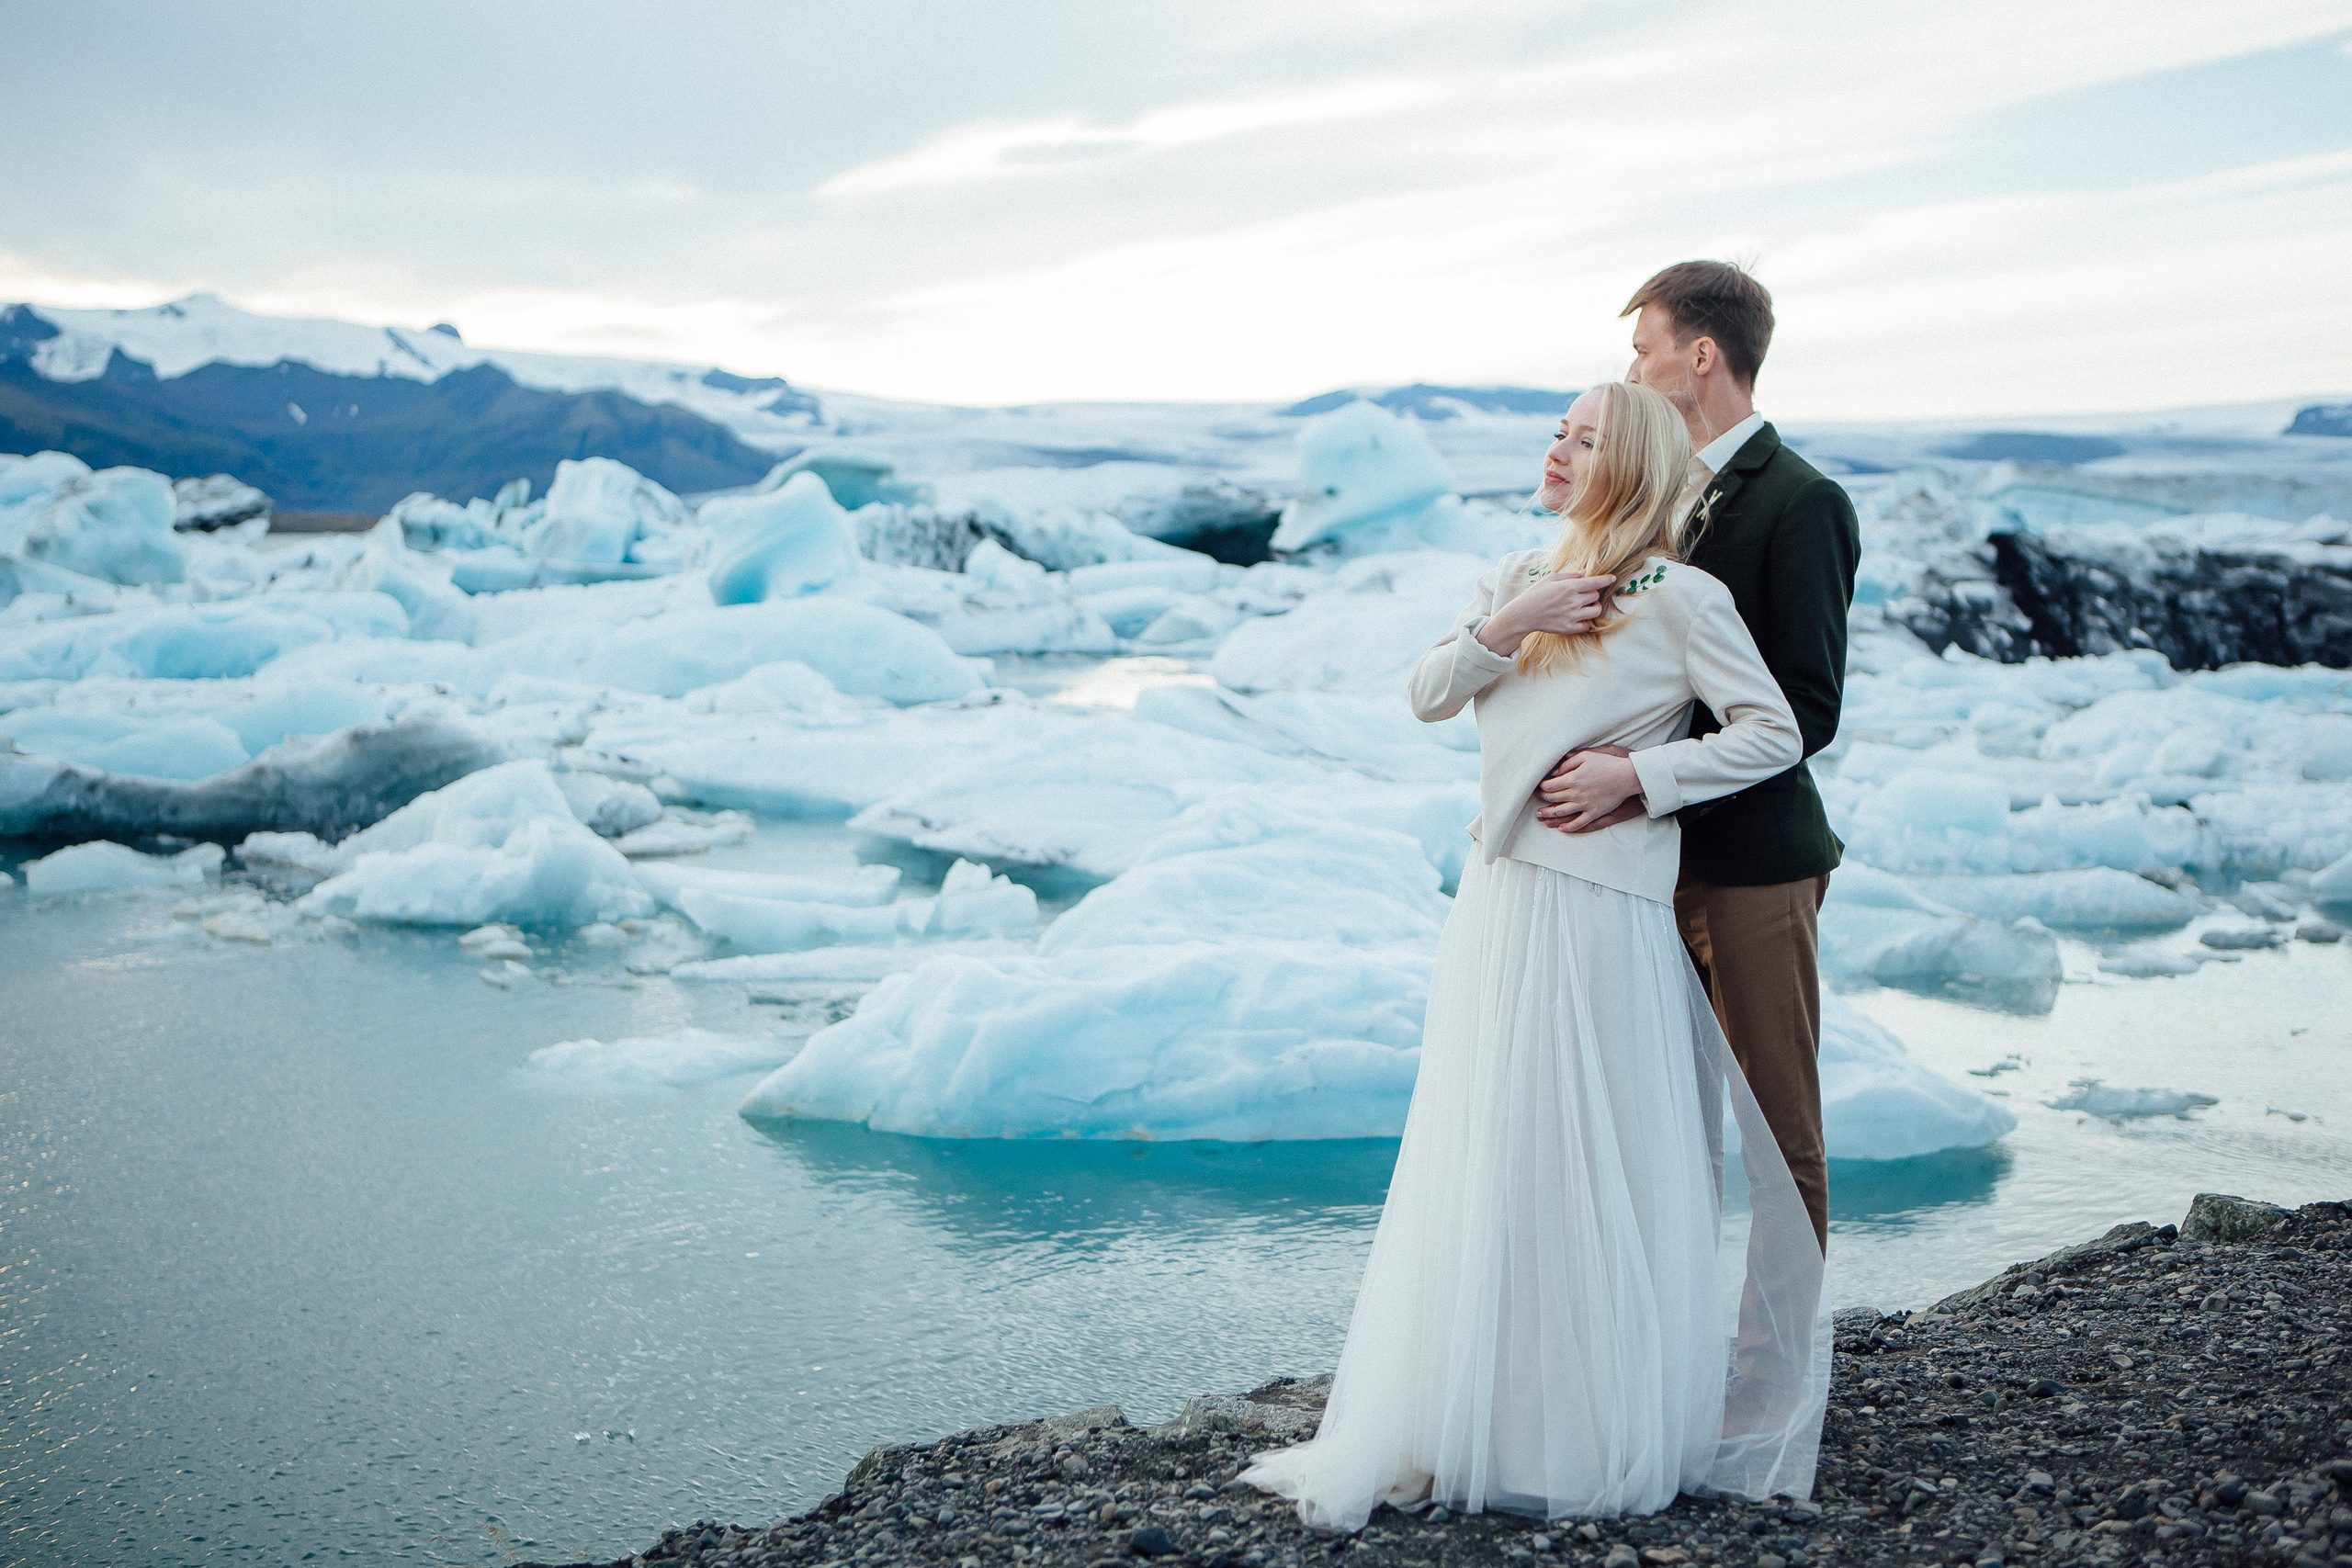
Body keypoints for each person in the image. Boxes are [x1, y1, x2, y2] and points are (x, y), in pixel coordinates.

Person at [1242, 380, 1830, 1531]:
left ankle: (1588, 1429)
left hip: (1607, 910)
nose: (1559, 449)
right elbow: (1425, 694)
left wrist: (1639, 780)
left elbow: (1773, 730)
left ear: (1637, 463)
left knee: (1589, 1159)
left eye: (1586, 437)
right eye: (1556, 431)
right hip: (1501, 906)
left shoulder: (1683, 597)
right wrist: (1509, 625)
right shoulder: (1511, 581)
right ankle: (1484, 1417)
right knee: (1497, 1151)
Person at [1535, 262, 1860, 1250]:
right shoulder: (1656, 492)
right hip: (1645, 868)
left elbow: (1805, 709)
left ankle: (1781, 1387)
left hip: (1755, 866)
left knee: (1776, 1135)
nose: (1631, 368)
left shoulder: (1803, 500)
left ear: (1701, 356)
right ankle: (1682, 1374)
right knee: (1665, 1131)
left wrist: (1640, 781)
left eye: (1644, 349)